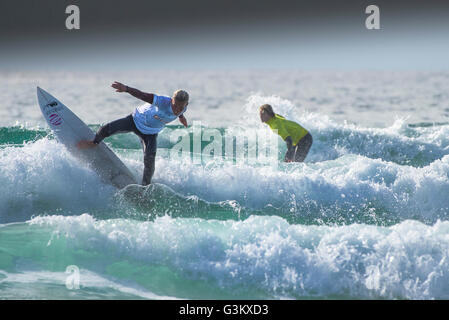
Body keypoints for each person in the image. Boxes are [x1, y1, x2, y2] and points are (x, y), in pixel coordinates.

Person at [77, 81, 189, 185]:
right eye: (175, 105)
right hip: (135, 121)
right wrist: (126, 89)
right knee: (106, 129)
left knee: (149, 163)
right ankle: (93, 143)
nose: (177, 109)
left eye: (181, 107)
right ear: (171, 101)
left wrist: (181, 118)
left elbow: (180, 112)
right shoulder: (162, 101)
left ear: (186, 104)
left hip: (150, 133)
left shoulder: (183, 108)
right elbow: (142, 95)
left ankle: (145, 188)